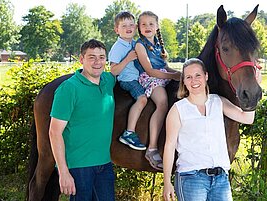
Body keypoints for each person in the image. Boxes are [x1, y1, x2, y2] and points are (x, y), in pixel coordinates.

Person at [163, 58, 255, 201]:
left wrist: (254, 88)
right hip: (191, 179)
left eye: (198, 75)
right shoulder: (178, 110)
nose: (194, 81)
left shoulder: (218, 102)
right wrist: (167, 182)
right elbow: (169, 147)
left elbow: (247, 118)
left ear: (206, 76)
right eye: (188, 77)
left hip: (221, 180)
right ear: (184, 82)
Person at [49, 39, 116, 200]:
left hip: (104, 164)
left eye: (101, 57)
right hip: (79, 167)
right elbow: (54, 132)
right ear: (81, 59)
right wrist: (63, 172)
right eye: (91, 57)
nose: (97, 62)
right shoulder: (68, 89)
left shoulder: (107, 81)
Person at [135, 10, 181, 171]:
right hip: (151, 78)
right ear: (139, 28)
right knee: (162, 103)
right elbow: (150, 71)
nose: (147, 27)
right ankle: (152, 147)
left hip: (162, 75)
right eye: (143, 24)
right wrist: (172, 76)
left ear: (157, 27)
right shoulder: (140, 45)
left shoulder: (159, 45)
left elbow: (165, 66)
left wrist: (179, 74)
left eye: (151, 24)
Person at [109, 11, 147, 151]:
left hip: (138, 77)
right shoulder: (118, 48)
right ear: (117, 30)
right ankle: (129, 132)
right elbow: (114, 71)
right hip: (128, 80)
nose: (128, 28)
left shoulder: (135, 44)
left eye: (131, 24)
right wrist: (128, 59)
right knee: (142, 99)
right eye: (124, 25)